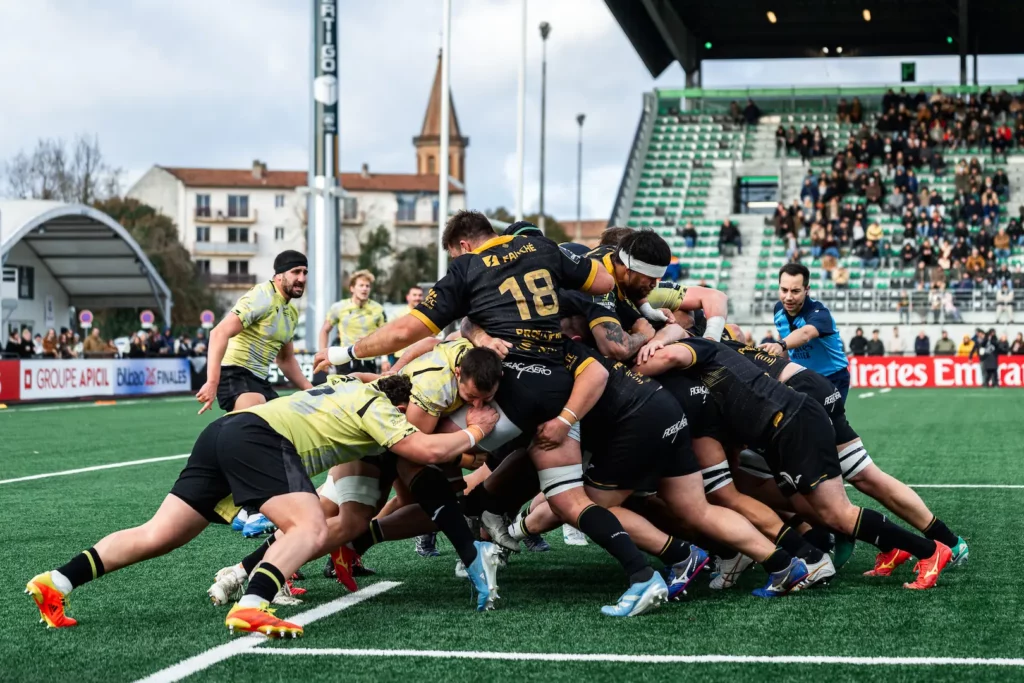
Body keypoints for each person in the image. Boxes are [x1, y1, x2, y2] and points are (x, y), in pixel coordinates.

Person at [316, 214, 674, 616]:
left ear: (463, 246)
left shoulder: (468, 268)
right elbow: (605, 282)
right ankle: (642, 576)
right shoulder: (544, 249)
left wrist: (343, 353)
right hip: (557, 385)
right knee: (568, 498)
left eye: (453, 254)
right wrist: (645, 313)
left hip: (512, 384)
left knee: (409, 451)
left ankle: (453, 547)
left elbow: (407, 333)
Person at [26, 374, 501, 634]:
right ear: (399, 407)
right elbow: (424, 451)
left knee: (159, 534)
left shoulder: (346, 386)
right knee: (312, 527)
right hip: (259, 436)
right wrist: (479, 428)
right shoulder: (378, 408)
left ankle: (56, 581)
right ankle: (252, 603)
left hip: (225, 431)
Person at [636, 336, 955, 591]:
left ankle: (930, 550)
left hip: (793, 422)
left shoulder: (698, 346)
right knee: (807, 506)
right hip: (780, 431)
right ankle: (880, 547)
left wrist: (627, 366)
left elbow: (670, 354)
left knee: (837, 511)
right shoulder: (695, 380)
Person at [195, 250, 312, 414]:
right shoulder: (262, 296)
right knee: (259, 419)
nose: (302, 278)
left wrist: (311, 390)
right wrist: (212, 383)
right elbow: (218, 333)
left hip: (259, 380)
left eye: (305, 273)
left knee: (284, 425)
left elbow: (285, 359)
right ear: (279, 275)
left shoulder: (291, 313)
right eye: (296, 272)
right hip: (234, 373)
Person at [761, 264, 851, 402]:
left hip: (831, 379)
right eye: (784, 290)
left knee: (827, 422)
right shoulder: (778, 310)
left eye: (795, 291)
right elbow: (784, 341)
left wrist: (780, 345)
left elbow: (805, 334)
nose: (788, 297)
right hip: (801, 377)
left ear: (806, 290)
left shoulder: (820, 314)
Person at [320, 270, 389, 376]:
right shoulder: (339, 307)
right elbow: (324, 330)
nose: (364, 289)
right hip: (345, 359)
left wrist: (384, 359)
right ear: (352, 288)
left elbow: (385, 336)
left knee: (366, 392)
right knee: (344, 392)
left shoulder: (378, 309)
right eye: (361, 285)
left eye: (367, 286)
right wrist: (322, 354)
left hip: (368, 360)